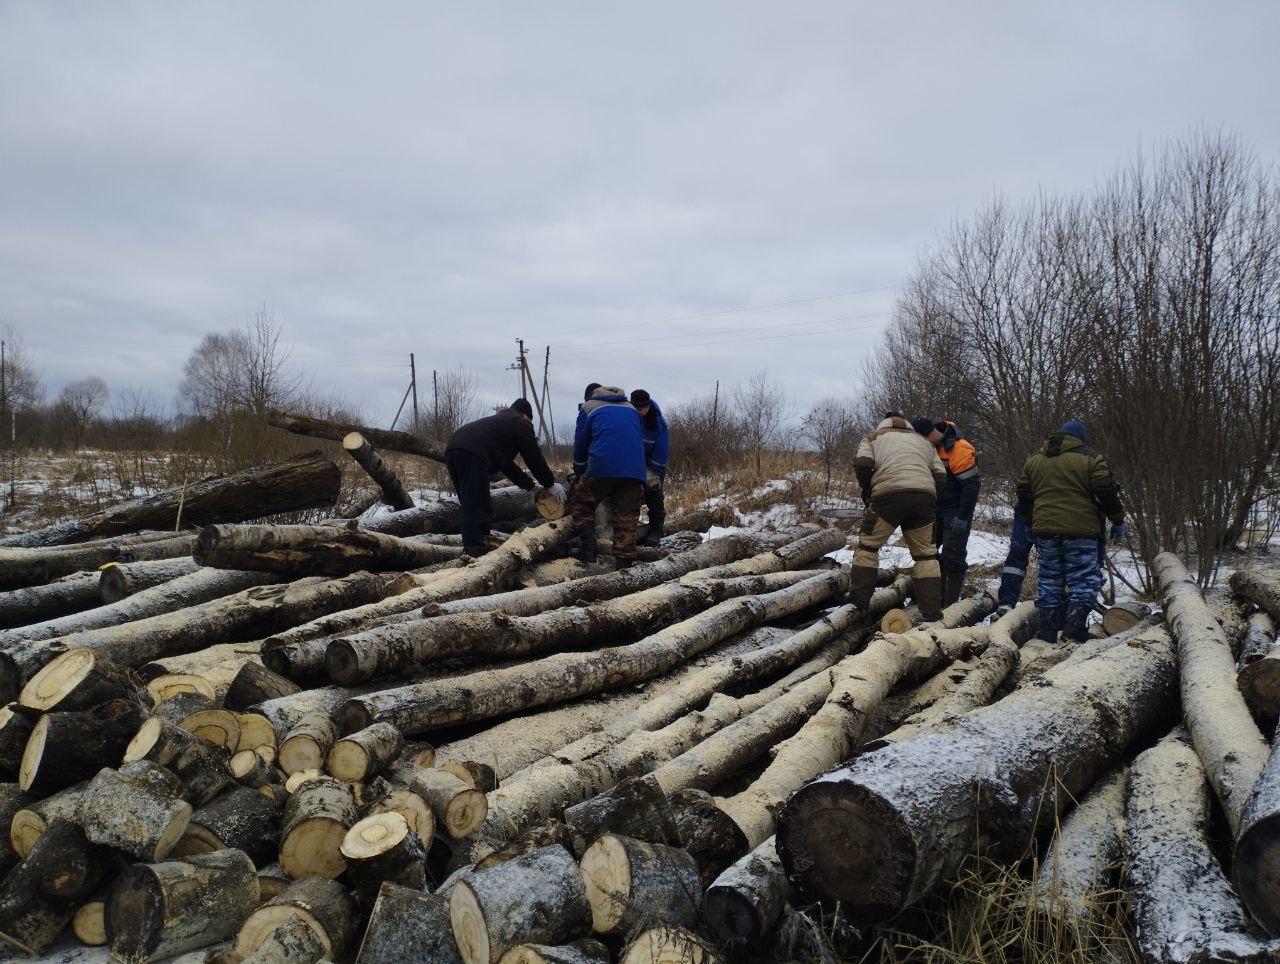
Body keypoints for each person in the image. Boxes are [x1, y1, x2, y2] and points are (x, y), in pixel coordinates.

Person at [1016, 420, 1125, 643]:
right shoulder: (1091, 459)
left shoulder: (1034, 460)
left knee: (1050, 579)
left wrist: (1029, 522)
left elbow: (1023, 493)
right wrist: (1117, 519)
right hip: (1081, 530)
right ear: (1080, 439)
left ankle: (1048, 630)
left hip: (1045, 529)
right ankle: (1074, 627)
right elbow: (1105, 489)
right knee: (1083, 579)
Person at [851, 414, 947, 619]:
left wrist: (870, 490)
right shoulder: (923, 441)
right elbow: (940, 475)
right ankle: (931, 612)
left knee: (868, 547)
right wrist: (929, 497)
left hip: (888, 497)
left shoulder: (873, 437)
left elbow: (862, 463)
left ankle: (859, 604)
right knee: (926, 555)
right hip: (924, 498)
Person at [445, 399, 564, 557]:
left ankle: (478, 547)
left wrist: (531, 486)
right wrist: (550, 484)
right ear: (526, 416)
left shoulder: (501, 425)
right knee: (477, 506)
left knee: (470, 503)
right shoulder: (519, 422)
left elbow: (507, 465)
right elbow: (533, 456)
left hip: (453, 449)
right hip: (471, 454)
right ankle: (475, 556)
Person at [571, 385, 647, 568]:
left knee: (582, 503)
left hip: (603, 466)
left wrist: (579, 470)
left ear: (588, 396)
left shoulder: (588, 408)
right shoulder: (630, 408)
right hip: (635, 470)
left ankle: (588, 550)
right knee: (626, 515)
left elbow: (581, 443)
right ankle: (624, 562)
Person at [920, 419, 981, 606]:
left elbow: (971, 487)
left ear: (930, 434)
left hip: (956, 509)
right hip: (935, 507)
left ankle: (951, 606)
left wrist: (963, 516)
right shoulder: (930, 449)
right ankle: (933, 598)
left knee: (952, 556)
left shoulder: (959, 450)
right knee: (927, 553)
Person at [630, 388, 669, 548]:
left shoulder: (659, 423)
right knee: (630, 500)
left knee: (655, 499)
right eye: (636, 409)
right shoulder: (627, 417)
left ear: (648, 406)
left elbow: (662, 451)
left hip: (653, 464)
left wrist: (654, 471)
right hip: (631, 465)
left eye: (642, 409)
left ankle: (655, 532)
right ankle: (629, 532)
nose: (639, 412)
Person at [994, 510, 1033, 618]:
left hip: (1052, 513)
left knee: (1050, 561)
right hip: (1027, 509)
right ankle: (1006, 603)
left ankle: (1051, 610)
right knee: (1016, 555)